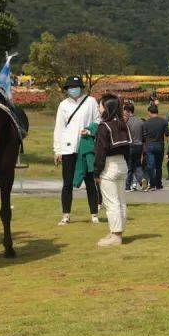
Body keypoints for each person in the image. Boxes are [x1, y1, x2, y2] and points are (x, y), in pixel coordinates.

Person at [53, 75, 101, 225]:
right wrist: (57, 150)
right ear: (67, 89)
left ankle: (94, 214)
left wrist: (90, 130)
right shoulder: (63, 105)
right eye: (70, 88)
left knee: (90, 181)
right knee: (67, 183)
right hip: (68, 148)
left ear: (81, 87)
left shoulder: (91, 101)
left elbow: (98, 120)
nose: (73, 90)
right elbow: (59, 128)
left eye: (76, 87)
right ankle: (66, 215)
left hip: (85, 147)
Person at [93, 94, 132, 247]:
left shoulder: (104, 126)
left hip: (109, 166)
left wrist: (97, 172)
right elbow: (128, 149)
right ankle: (117, 232)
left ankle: (116, 236)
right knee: (121, 202)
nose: (98, 108)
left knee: (112, 203)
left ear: (106, 107)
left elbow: (100, 152)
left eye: (100, 105)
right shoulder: (122, 124)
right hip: (122, 164)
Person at [142, 103, 168, 190]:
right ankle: (159, 184)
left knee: (150, 166)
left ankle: (152, 184)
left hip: (150, 145)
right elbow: (167, 134)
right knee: (159, 166)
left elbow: (144, 135)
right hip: (160, 144)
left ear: (149, 112)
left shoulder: (146, 122)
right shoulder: (164, 121)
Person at [124, 101, 147, 192]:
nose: (124, 113)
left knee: (129, 167)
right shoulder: (141, 121)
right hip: (139, 145)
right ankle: (142, 179)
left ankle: (127, 186)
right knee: (138, 165)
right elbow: (144, 135)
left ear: (128, 111)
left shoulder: (126, 122)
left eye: (125, 111)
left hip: (129, 146)